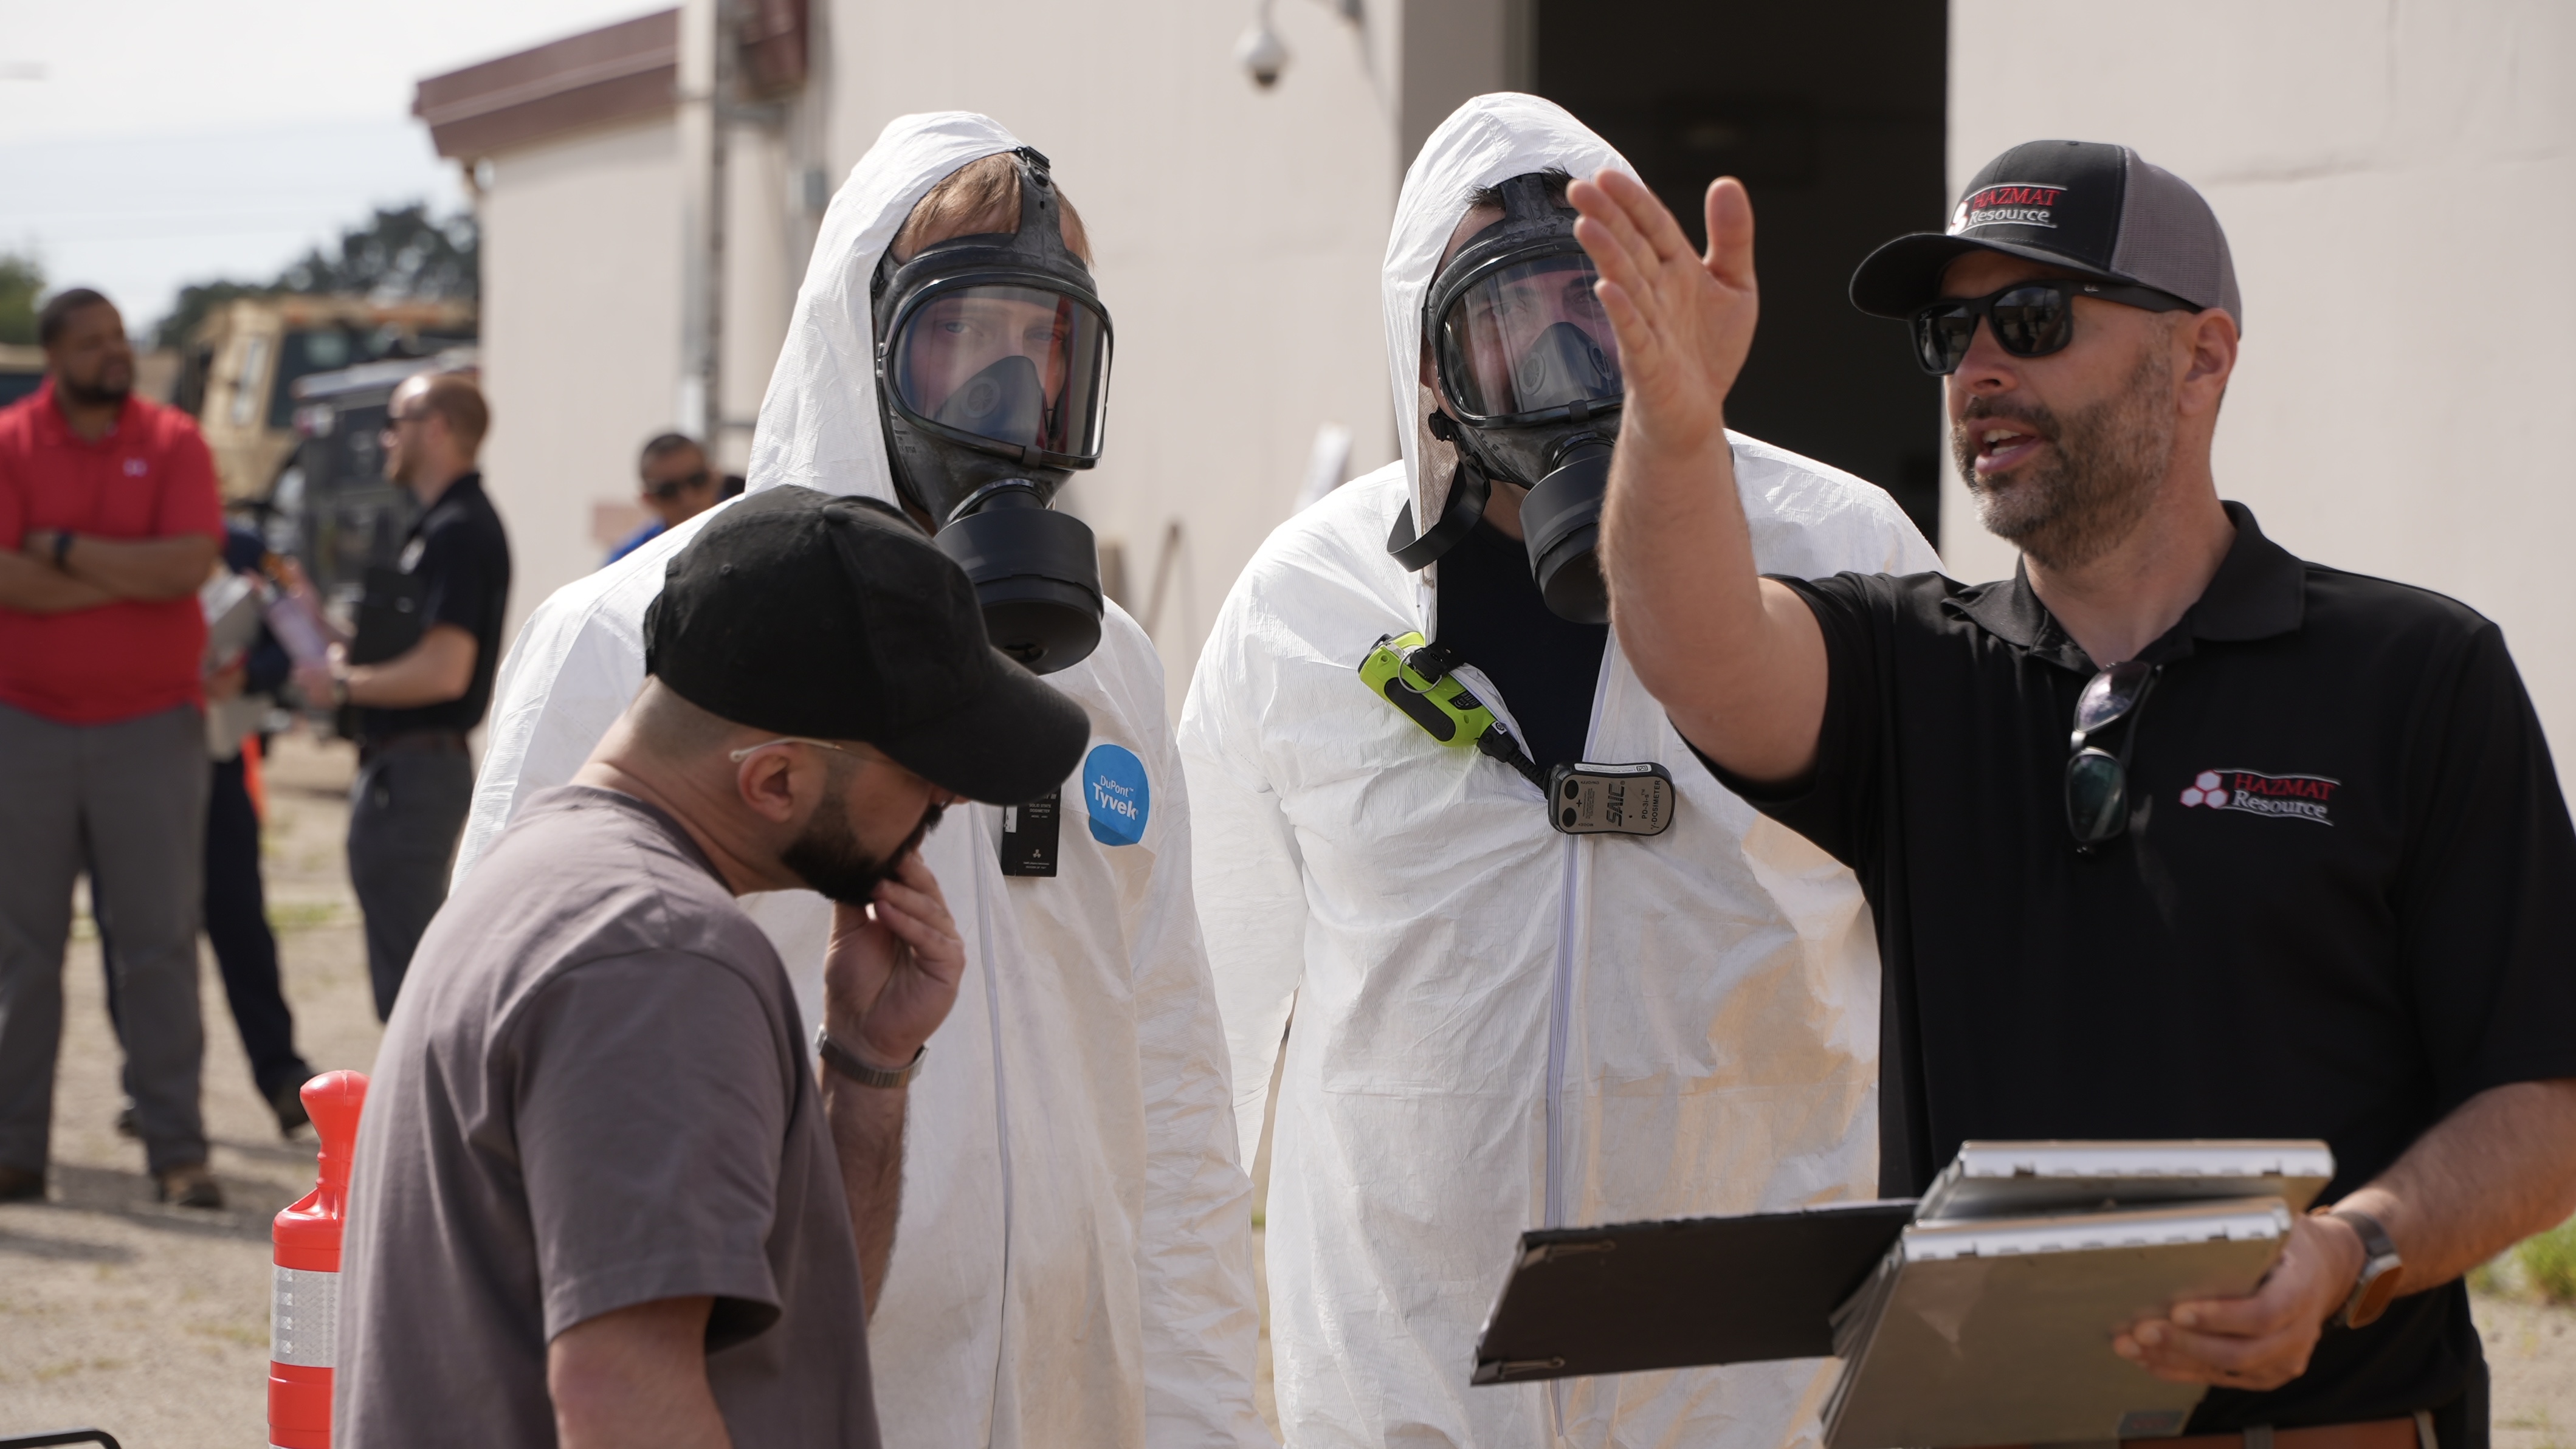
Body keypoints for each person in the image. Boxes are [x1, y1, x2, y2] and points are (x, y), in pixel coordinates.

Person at [1574, 138, 2576, 1435]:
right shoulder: (1910, 663)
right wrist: (1671, 420)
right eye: (1950, 334)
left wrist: (2351, 1254)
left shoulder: (2415, 675)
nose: (1978, 369)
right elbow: (1695, 649)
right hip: (1976, 1423)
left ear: (2201, 356)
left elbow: (2543, 1098)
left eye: (2031, 319)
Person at [451, 113, 1268, 1449]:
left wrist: (1197, 1418)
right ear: (859, 342)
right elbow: (506, 1064)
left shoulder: (1106, 666)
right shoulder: (633, 636)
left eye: (1042, 348)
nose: (1013, 399)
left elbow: (1168, 1071)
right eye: (969, 342)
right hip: (776, 1407)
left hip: (1077, 1404)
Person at [1177, 94, 1940, 1448]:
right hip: (1402, 1392)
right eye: (1507, 323)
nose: (1566, 358)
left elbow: (1959, 957)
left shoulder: (1837, 550)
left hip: (1747, 1402)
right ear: (1425, 365)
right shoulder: (1304, 601)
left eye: (1601, 303)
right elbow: (1189, 1042)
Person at [337, 485, 1089, 1445]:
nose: (946, 793)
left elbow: (779, 1338)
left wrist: (865, 1063)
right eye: (923, 770)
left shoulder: (558, 881)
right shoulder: (656, 955)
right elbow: (623, 1397)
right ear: (775, 779)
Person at [0, 287, 226, 1209]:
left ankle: (177, 1152)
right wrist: (127, 576)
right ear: (54, 354)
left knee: (159, 946)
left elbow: (188, 564)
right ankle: (15, 1151)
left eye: (121, 338)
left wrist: (55, 549)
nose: (115, 353)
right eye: (94, 342)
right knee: (20, 951)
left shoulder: (174, 440)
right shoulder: (10, 443)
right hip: (26, 726)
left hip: (152, 729)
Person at [294, 370, 510, 1021]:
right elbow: (412, 649)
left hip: (417, 770)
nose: (386, 438)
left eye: (397, 423)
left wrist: (341, 683)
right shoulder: (440, 524)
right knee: (410, 973)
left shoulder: (458, 528)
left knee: (419, 986)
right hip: (407, 767)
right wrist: (322, 625)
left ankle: (427, 1120)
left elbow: (445, 669)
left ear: (437, 429)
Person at [102, 521, 319, 1138]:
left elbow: (291, 644)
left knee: (240, 919)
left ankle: (279, 1073)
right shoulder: (120, 540)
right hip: (131, 762)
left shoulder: (244, 549)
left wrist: (244, 676)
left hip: (218, 760)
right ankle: (148, 1085)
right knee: (136, 927)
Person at [606, 432, 729, 564]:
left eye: (697, 480)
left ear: (715, 477)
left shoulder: (749, 523)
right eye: (668, 491)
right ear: (648, 499)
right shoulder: (629, 562)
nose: (687, 498)